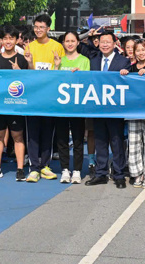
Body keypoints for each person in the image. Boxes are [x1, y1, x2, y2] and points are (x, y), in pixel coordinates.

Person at [86, 31, 130, 188]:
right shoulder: (93, 60)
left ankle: (119, 174)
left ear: (114, 44)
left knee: (116, 141)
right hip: (97, 108)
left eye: (107, 42)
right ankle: (101, 173)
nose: (104, 44)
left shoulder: (123, 62)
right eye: (101, 41)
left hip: (115, 109)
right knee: (100, 141)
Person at [0, 25, 28, 182]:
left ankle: (20, 169)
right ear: (1, 41)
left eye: (11, 38)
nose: (8, 41)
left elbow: (29, 83)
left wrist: (20, 72)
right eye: (5, 38)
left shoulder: (22, 60)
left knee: (18, 137)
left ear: (16, 40)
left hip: (16, 105)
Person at [24, 13, 64, 183]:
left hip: (50, 97)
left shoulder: (57, 47)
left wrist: (55, 65)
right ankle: (34, 168)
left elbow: (58, 74)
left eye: (42, 27)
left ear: (48, 29)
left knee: (48, 132)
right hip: (33, 96)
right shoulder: (29, 47)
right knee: (32, 132)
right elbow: (30, 73)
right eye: (36, 27)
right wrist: (30, 62)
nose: (38, 30)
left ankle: (45, 166)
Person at [123, 39, 145, 188]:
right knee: (134, 143)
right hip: (133, 111)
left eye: (143, 50)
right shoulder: (130, 68)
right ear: (133, 52)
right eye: (138, 50)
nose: (140, 53)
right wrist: (123, 74)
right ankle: (136, 174)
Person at [56, 31, 90, 184]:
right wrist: (56, 67)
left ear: (78, 42)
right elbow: (52, 82)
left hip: (77, 106)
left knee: (77, 139)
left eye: (72, 40)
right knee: (62, 139)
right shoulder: (59, 60)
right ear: (63, 43)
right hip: (61, 107)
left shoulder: (84, 60)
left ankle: (76, 170)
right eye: (67, 41)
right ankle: (64, 169)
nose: (69, 43)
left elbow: (88, 82)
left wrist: (79, 75)